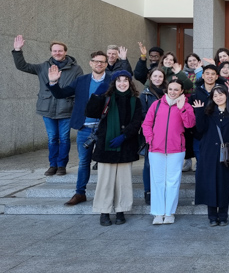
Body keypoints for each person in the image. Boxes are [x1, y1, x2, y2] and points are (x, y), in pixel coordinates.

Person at [12, 35, 84, 176]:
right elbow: (22, 66)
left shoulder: (76, 69)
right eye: (55, 50)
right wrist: (17, 50)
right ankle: (53, 165)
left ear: (65, 52)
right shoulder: (43, 67)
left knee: (64, 138)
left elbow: (80, 88)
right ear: (51, 52)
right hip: (47, 108)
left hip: (66, 108)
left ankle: (62, 165)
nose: (57, 53)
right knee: (52, 138)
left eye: (60, 50)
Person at [47, 51, 111, 205]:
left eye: (102, 62)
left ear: (106, 64)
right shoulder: (81, 80)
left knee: (106, 163)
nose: (99, 64)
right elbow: (61, 94)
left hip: (105, 128)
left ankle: (106, 194)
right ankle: (80, 193)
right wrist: (54, 83)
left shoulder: (112, 80)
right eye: (96, 61)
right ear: (90, 63)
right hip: (85, 128)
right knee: (84, 162)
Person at [85, 70, 142, 226]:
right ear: (114, 83)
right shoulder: (106, 98)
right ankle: (104, 212)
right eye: (119, 80)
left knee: (123, 182)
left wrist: (124, 136)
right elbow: (90, 112)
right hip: (106, 146)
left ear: (130, 83)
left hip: (126, 145)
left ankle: (120, 210)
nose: (122, 83)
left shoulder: (135, 101)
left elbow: (137, 121)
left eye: (125, 80)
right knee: (105, 181)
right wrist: (97, 95)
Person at [142, 80, 195, 225]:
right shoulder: (157, 104)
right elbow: (146, 123)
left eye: (176, 90)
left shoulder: (186, 106)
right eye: (170, 89)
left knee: (173, 182)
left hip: (176, 149)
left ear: (181, 91)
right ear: (166, 90)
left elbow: (190, 124)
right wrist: (150, 139)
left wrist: (182, 108)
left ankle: (170, 212)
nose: (172, 92)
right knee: (157, 181)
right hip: (156, 149)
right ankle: (158, 213)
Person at [193, 85, 229, 226]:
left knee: (223, 185)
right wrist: (198, 112)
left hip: (225, 155)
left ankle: (223, 216)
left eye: (221, 94)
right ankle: (212, 216)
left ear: (226, 96)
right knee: (210, 184)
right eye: (215, 95)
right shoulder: (207, 112)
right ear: (212, 98)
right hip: (208, 154)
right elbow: (200, 130)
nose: (218, 97)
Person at [139, 68, 167, 205]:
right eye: (155, 76)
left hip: (168, 133)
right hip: (151, 133)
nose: (157, 78)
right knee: (149, 164)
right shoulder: (145, 94)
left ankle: (161, 189)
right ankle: (148, 191)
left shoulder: (169, 92)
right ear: (150, 77)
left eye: (160, 76)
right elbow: (143, 115)